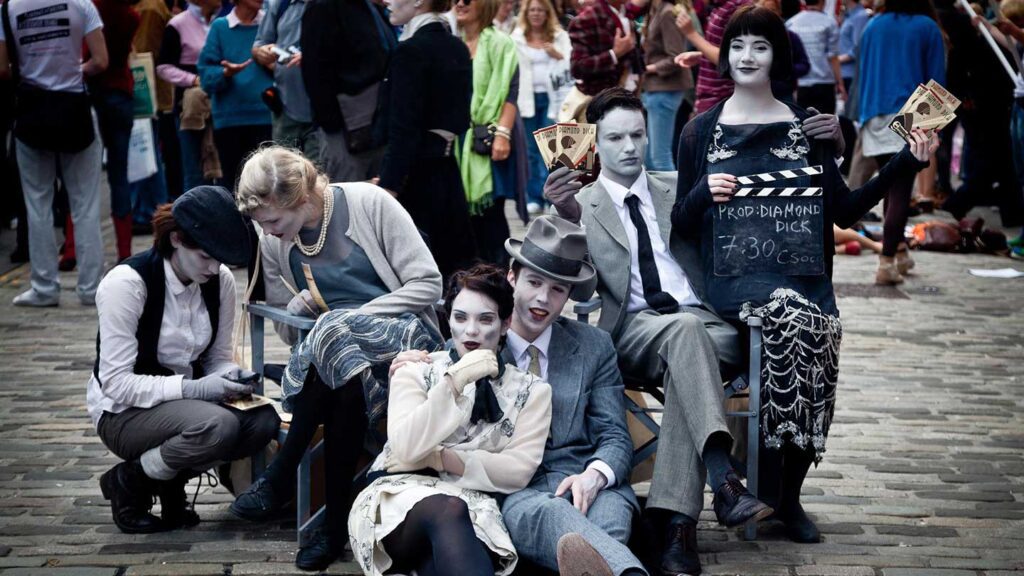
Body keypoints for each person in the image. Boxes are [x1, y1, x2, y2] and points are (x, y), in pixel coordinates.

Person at [669, 4, 936, 543]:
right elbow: (679, 220)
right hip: (734, 281)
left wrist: (907, 160)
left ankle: (786, 495)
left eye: (760, 46)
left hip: (805, 278)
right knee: (793, 323)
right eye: (738, 45)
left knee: (815, 328)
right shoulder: (700, 131)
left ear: (777, 57)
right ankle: (775, 496)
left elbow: (846, 211)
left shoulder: (806, 124)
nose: (746, 56)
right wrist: (704, 192)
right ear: (725, 55)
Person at [545, 88, 774, 576]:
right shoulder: (578, 204)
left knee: (688, 339)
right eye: (615, 138)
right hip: (632, 331)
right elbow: (576, 286)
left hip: (708, 327)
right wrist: (567, 220)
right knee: (682, 335)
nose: (629, 146)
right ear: (595, 144)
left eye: (637, 134)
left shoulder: (679, 187)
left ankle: (679, 527)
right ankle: (720, 478)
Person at [229, 146, 444, 571]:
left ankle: (281, 473)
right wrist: (297, 311)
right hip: (333, 369)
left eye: (272, 220)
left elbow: (429, 284)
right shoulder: (274, 243)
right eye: (260, 223)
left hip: (405, 342)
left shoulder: (369, 204)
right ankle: (332, 531)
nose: (267, 232)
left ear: (302, 199)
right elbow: (290, 335)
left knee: (335, 332)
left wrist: (350, 317)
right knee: (343, 383)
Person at [88, 186, 280, 534]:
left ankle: (165, 478)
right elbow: (115, 382)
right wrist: (196, 388)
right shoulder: (127, 284)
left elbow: (218, 358)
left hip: (187, 403)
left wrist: (231, 375)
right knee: (217, 426)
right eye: (205, 257)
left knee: (263, 421)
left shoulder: (217, 279)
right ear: (176, 240)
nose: (214, 267)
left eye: (220, 260)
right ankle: (129, 481)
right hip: (122, 412)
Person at [350, 264, 553, 576]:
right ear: (449, 321)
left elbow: (517, 470)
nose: (471, 331)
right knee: (448, 509)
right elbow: (405, 447)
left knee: (439, 559)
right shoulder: (416, 369)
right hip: (400, 498)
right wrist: (454, 382)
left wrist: (437, 457)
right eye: (460, 318)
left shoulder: (532, 390)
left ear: (505, 324)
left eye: (485, 319)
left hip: (477, 508)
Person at [0, 0, 108, 307]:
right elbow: (100, 60)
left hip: (33, 113)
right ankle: (90, 288)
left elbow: (2, 68)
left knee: (37, 205)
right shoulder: (81, 4)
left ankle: (44, 287)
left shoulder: (9, 8)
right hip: (75, 110)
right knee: (85, 204)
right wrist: (75, 69)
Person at [376, 0, 477, 281]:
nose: (388, 1)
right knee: (453, 268)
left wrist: (389, 186)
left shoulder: (411, 51)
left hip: (415, 179)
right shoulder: (456, 46)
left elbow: (403, 128)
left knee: (414, 273)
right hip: (447, 172)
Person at [856, 0, 945, 284]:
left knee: (889, 185)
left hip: (874, 109)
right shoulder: (926, 27)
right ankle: (887, 260)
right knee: (900, 191)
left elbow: (863, 71)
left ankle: (900, 252)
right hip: (911, 110)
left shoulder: (873, 25)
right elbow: (936, 83)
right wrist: (934, 125)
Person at [456, 0, 524, 265]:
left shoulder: (500, 43)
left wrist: (502, 135)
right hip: (453, 142)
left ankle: (498, 281)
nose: (460, 3)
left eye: (467, 0)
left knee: (491, 218)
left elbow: (510, 93)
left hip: (485, 140)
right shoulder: (450, 41)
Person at [301, 0, 395, 182]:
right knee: (346, 201)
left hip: (378, 127)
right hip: (344, 132)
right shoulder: (323, 6)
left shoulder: (372, 7)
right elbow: (315, 71)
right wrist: (333, 126)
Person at [197, 0, 272, 189]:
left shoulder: (269, 24)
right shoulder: (221, 27)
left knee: (269, 185)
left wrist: (272, 63)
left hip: (267, 117)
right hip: (230, 121)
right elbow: (206, 76)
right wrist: (225, 73)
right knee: (236, 187)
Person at [89, 0, 140, 261]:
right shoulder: (130, 15)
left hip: (92, 93)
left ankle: (74, 249)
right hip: (121, 94)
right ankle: (124, 251)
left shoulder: (88, 8)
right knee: (119, 175)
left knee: (81, 177)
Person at [512, 0, 572, 213]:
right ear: (526, 13)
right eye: (532, 10)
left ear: (548, 13)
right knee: (529, 151)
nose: (536, 14)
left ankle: (553, 196)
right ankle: (534, 195)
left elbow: (572, 64)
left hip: (553, 100)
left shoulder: (560, 36)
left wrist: (558, 55)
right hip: (526, 100)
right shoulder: (516, 37)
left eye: (540, 10)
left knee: (553, 151)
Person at [158, 0, 222, 193]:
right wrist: (193, 79)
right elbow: (163, 67)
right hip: (191, 109)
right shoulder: (178, 24)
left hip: (222, 103)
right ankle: (195, 220)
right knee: (195, 172)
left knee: (224, 169)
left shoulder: (224, 21)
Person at [252, 0, 320, 162]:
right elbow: (259, 44)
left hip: (323, 111)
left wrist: (313, 55)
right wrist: (262, 52)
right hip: (285, 106)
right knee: (284, 174)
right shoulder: (280, 4)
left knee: (318, 177)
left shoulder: (331, 5)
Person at [130, 0, 173, 226]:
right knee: (149, 151)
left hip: (148, 92)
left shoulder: (148, 7)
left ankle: (149, 210)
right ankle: (152, 208)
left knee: (146, 151)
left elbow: (142, 53)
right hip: (152, 91)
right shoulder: (150, 5)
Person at [641, 0, 691, 170]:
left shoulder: (667, 12)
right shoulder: (657, 11)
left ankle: (673, 197)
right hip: (657, 89)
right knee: (650, 158)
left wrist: (647, 68)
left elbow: (676, 57)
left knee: (659, 158)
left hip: (664, 90)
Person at [785, 0, 846, 114]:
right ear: (823, 2)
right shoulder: (829, 22)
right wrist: (840, 83)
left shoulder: (792, 23)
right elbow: (833, 57)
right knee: (827, 125)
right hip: (825, 82)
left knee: (803, 124)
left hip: (801, 83)